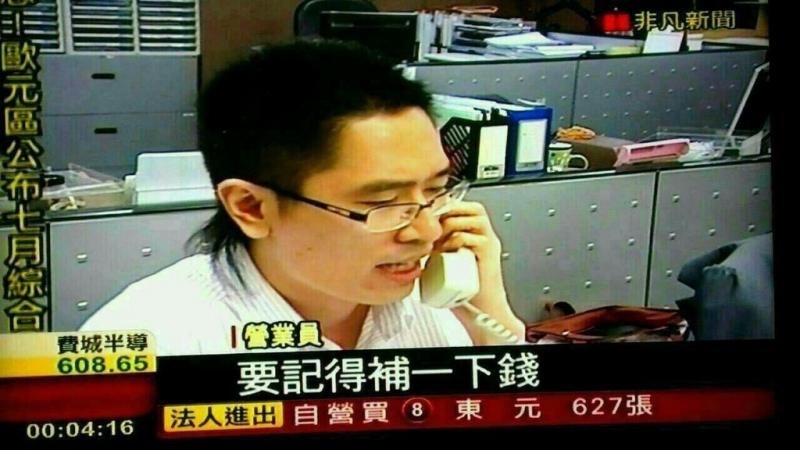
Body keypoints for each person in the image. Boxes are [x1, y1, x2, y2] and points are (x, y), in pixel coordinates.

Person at [80, 40, 526, 355]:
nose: (427, 231)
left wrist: (493, 325)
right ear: (251, 207)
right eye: (383, 203)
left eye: (435, 190)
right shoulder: (148, 341)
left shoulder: (444, 308)